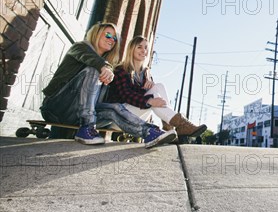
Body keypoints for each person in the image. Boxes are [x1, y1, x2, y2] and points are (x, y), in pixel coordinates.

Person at [41, 22, 177, 148]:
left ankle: (150, 132)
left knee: (114, 108)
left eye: (114, 38)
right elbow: (90, 58)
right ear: (96, 34)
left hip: (80, 115)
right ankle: (87, 128)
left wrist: (146, 80)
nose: (111, 39)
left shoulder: (107, 66)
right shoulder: (80, 47)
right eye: (107, 35)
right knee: (93, 69)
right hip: (56, 107)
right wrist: (104, 67)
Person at [105, 35, 207, 137]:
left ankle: (169, 128)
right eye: (139, 47)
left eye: (146, 48)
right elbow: (126, 95)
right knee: (153, 97)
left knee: (159, 87)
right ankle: (181, 124)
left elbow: (144, 97)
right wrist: (149, 100)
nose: (144, 50)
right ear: (131, 49)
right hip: (118, 118)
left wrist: (148, 89)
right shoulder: (121, 70)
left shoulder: (145, 73)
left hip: (136, 115)